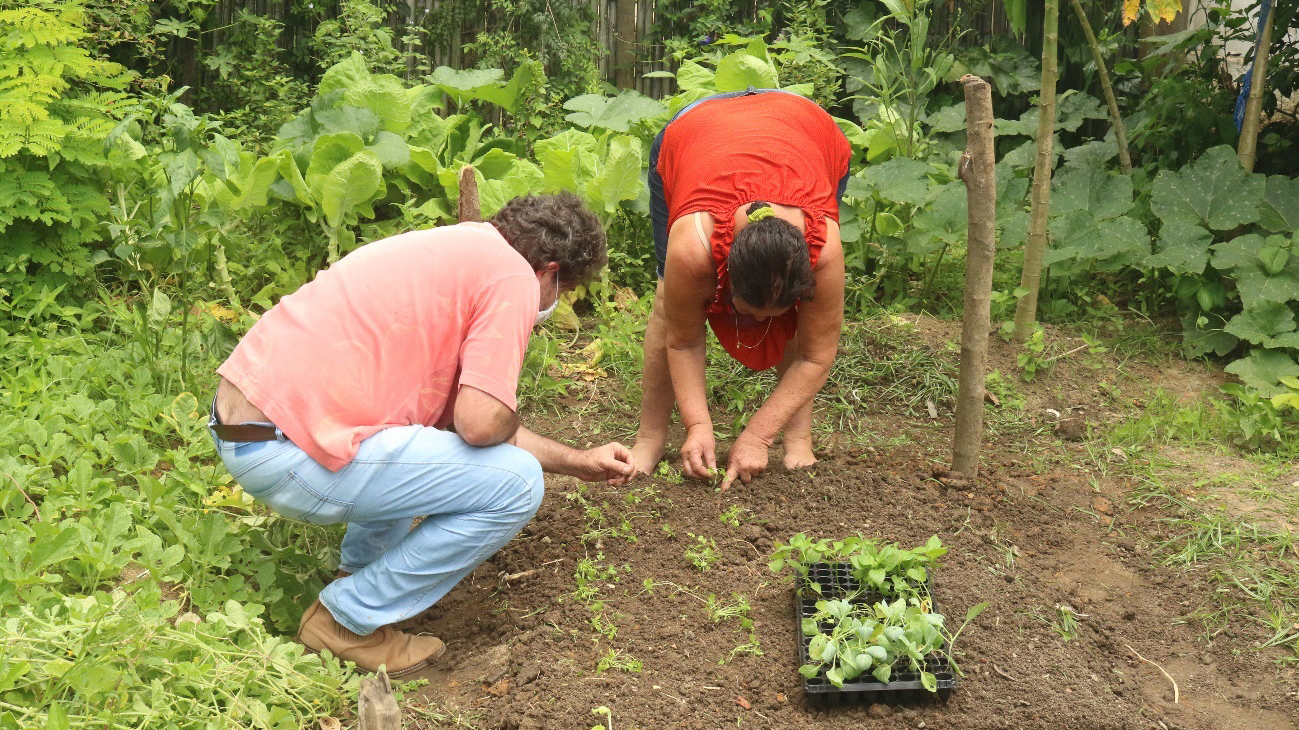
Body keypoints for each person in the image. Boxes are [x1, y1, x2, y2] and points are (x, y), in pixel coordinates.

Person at [209, 192, 636, 678]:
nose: (556, 304)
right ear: (549, 271)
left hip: (250, 429)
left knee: (424, 440)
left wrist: (578, 462)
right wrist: (503, 415)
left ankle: (357, 578)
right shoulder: (515, 277)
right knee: (517, 484)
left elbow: (458, 428)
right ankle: (346, 622)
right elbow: (479, 424)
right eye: (565, 289)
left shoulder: (458, 250)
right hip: (287, 452)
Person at [629, 89, 852, 489]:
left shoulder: (823, 250)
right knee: (668, 301)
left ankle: (798, 440)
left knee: (806, 324)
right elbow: (683, 341)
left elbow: (817, 355)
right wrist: (697, 425)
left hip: (804, 127)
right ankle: (649, 439)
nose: (760, 323)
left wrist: (758, 435)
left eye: (777, 315)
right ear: (723, 275)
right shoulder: (694, 249)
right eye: (748, 311)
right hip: (697, 130)